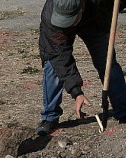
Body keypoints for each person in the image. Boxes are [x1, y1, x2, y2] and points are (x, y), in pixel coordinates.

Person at [36, 0, 126, 136]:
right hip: (59, 28)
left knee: (107, 63)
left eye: (70, 19)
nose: (69, 23)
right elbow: (58, 57)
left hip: (95, 20)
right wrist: (76, 92)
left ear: (81, 8)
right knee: (53, 66)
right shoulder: (51, 19)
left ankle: (123, 110)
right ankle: (50, 117)